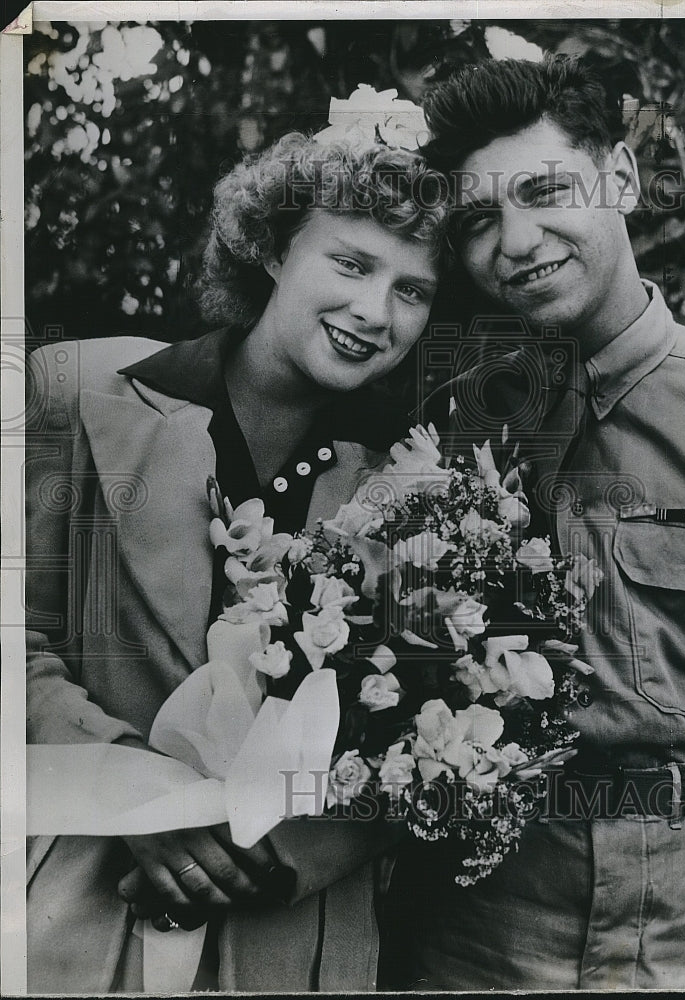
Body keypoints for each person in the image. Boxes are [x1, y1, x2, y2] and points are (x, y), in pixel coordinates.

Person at [25, 121, 450, 992]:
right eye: (350, 264)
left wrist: (279, 852)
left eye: (413, 291)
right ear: (272, 249)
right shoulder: (71, 391)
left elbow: (430, 723)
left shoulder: (419, 491)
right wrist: (125, 792)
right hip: (76, 900)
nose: (374, 314)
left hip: (293, 934)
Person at [379, 55, 685, 991]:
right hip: (485, 903)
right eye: (478, 219)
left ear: (624, 179)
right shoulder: (445, 420)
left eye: (545, 190)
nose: (516, 241)